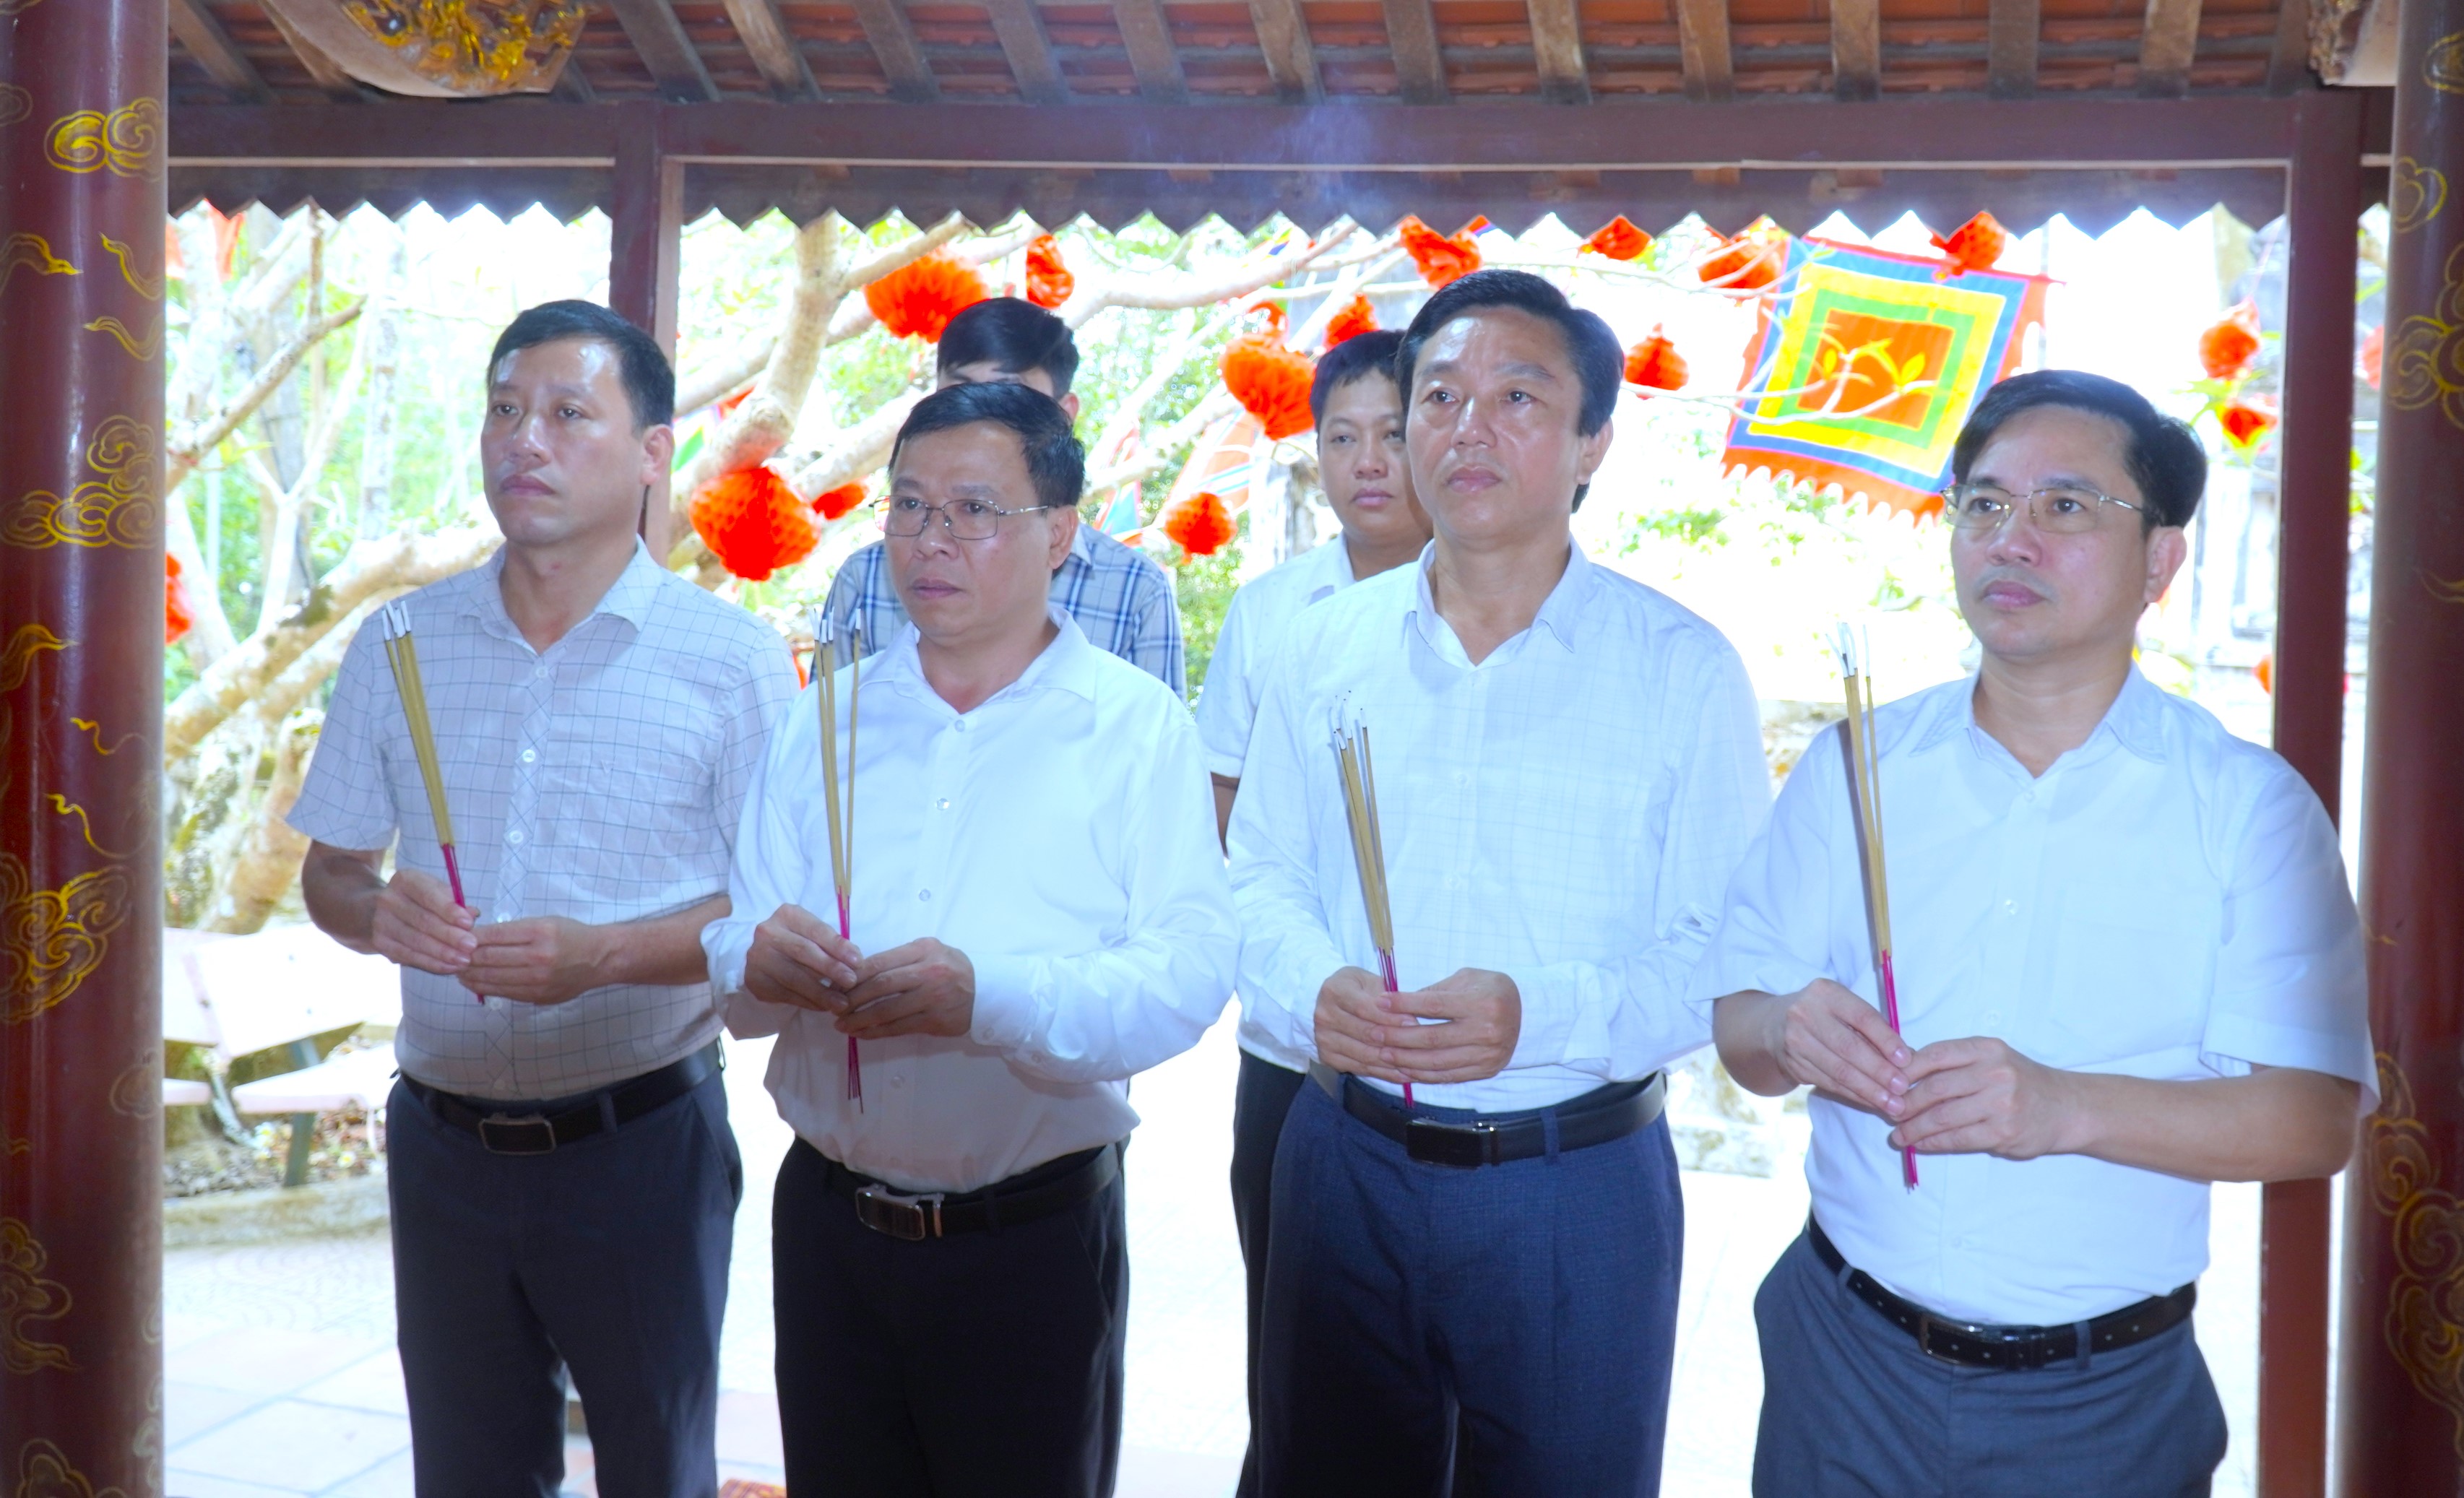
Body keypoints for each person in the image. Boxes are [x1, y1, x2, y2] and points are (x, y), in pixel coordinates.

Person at [1693, 370, 2373, 1497]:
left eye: (2063, 505)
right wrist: (1785, 1027)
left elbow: (2310, 1119)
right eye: (1981, 502)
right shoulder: (1856, 766)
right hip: (1842, 1355)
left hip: (2100, 1394)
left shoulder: (2245, 808)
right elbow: (1741, 1037)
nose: (2008, 537)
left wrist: (2061, 1106)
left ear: (2158, 559)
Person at [1229, 269, 1771, 1495]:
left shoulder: (1680, 670)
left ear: (1591, 442)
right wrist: (1312, 984)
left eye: (1516, 397)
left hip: (1571, 1182)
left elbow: (1722, 946)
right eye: (1439, 395)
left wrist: (1540, 1015)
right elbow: (1255, 874)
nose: (1467, 426)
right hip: (1343, 1156)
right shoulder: (1320, 646)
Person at [293, 300, 797, 1498]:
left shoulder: (728, 662)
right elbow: (330, 873)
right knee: (466, 1470)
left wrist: (603, 955)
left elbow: (771, 923)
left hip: (641, 1142)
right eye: (505, 410)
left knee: (656, 1463)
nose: (526, 439)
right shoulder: (401, 641)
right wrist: (375, 911)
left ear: (654, 450)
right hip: (443, 1142)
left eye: (571, 413)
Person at [704, 380, 1237, 1498]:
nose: (929, 538)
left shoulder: (1133, 727)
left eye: (973, 509)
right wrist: (755, 959)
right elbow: (738, 938)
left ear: (1059, 533)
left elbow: (1186, 974)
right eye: (908, 505)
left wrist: (984, 993)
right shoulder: (829, 714)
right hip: (832, 1225)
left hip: (1028, 1238)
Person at [1191, 326, 1433, 1498]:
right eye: (1341, 437)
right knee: (1292, 1359)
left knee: (1441, 1368)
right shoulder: (1272, 611)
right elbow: (1225, 821)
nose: (1367, 461)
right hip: (1295, 1051)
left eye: (1392, 432)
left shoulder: (1499, 610)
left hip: (1452, 1055)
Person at [821, 296, 1187, 694]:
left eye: (1010, 395)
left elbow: (1151, 725)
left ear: (1065, 413)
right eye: (961, 391)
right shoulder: (865, 578)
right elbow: (829, 724)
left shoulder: (1135, 588)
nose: (980, 417)